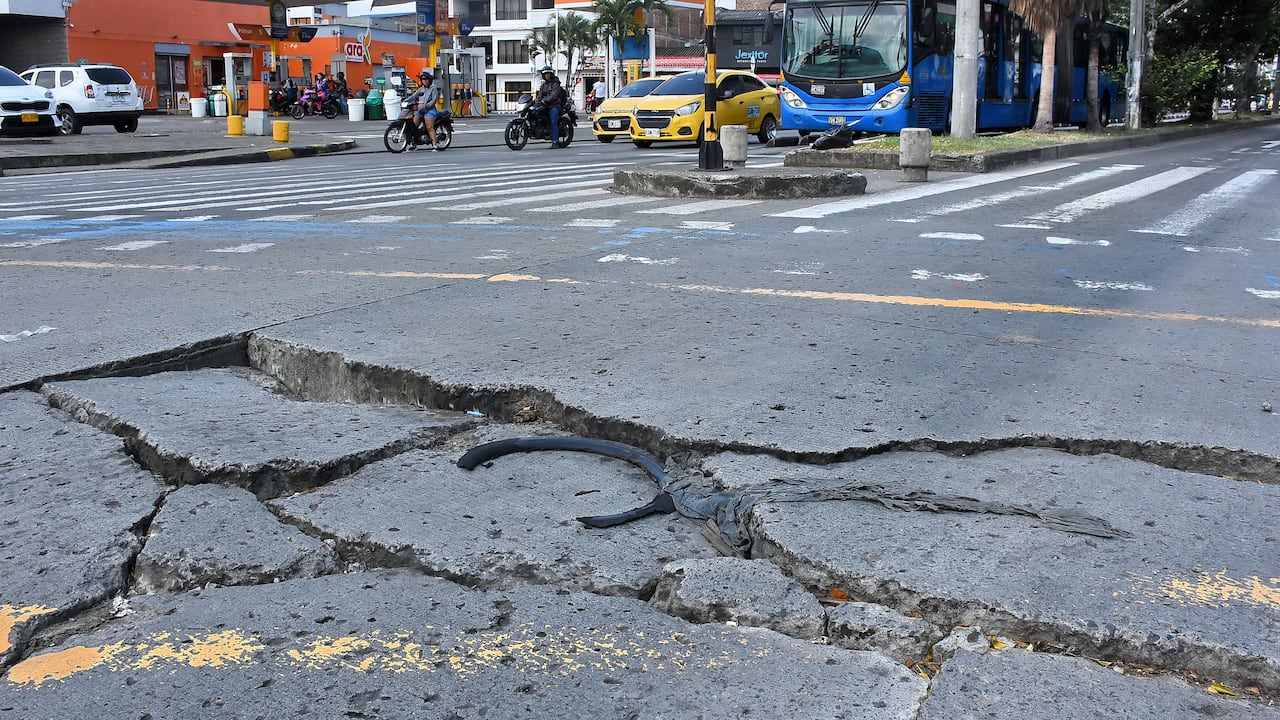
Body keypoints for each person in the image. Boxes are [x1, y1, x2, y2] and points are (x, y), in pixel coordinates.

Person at [404, 69, 442, 150]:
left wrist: (427, 106)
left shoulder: (433, 88)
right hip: (420, 110)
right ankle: (414, 143)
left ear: (430, 80)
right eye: (423, 79)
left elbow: (434, 100)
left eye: (426, 79)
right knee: (413, 127)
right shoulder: (421, 89)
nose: (425, 81)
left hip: (430, 110)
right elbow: (414, 96)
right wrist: (405, 100)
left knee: (429, 127)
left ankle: (434, 144)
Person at [535, 65, 566, 148]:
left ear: (551, 74)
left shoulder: (555, 84)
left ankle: (555, 142)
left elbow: (554, 96)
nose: (547, 75)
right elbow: (540, 95)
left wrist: (545, 100)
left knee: (553, 122)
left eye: (548, 73)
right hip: (545, 105)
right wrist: (537, 101)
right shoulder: (543, 85)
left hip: (554, 105)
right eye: (545, 74)